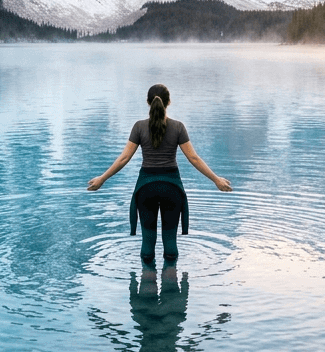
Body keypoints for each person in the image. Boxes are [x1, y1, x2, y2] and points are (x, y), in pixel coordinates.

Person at [87, 84, 232, 264]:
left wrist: (102, 178)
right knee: (170, 243)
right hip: (172, 189)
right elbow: (194, 158)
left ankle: (147, 276)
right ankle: (171, 277)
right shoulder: (178, 127)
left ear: (148, 102)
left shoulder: (139, 127)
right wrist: (216, 180)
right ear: (168, 102)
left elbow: (124, 158)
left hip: (146, 189)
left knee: (147, 243)